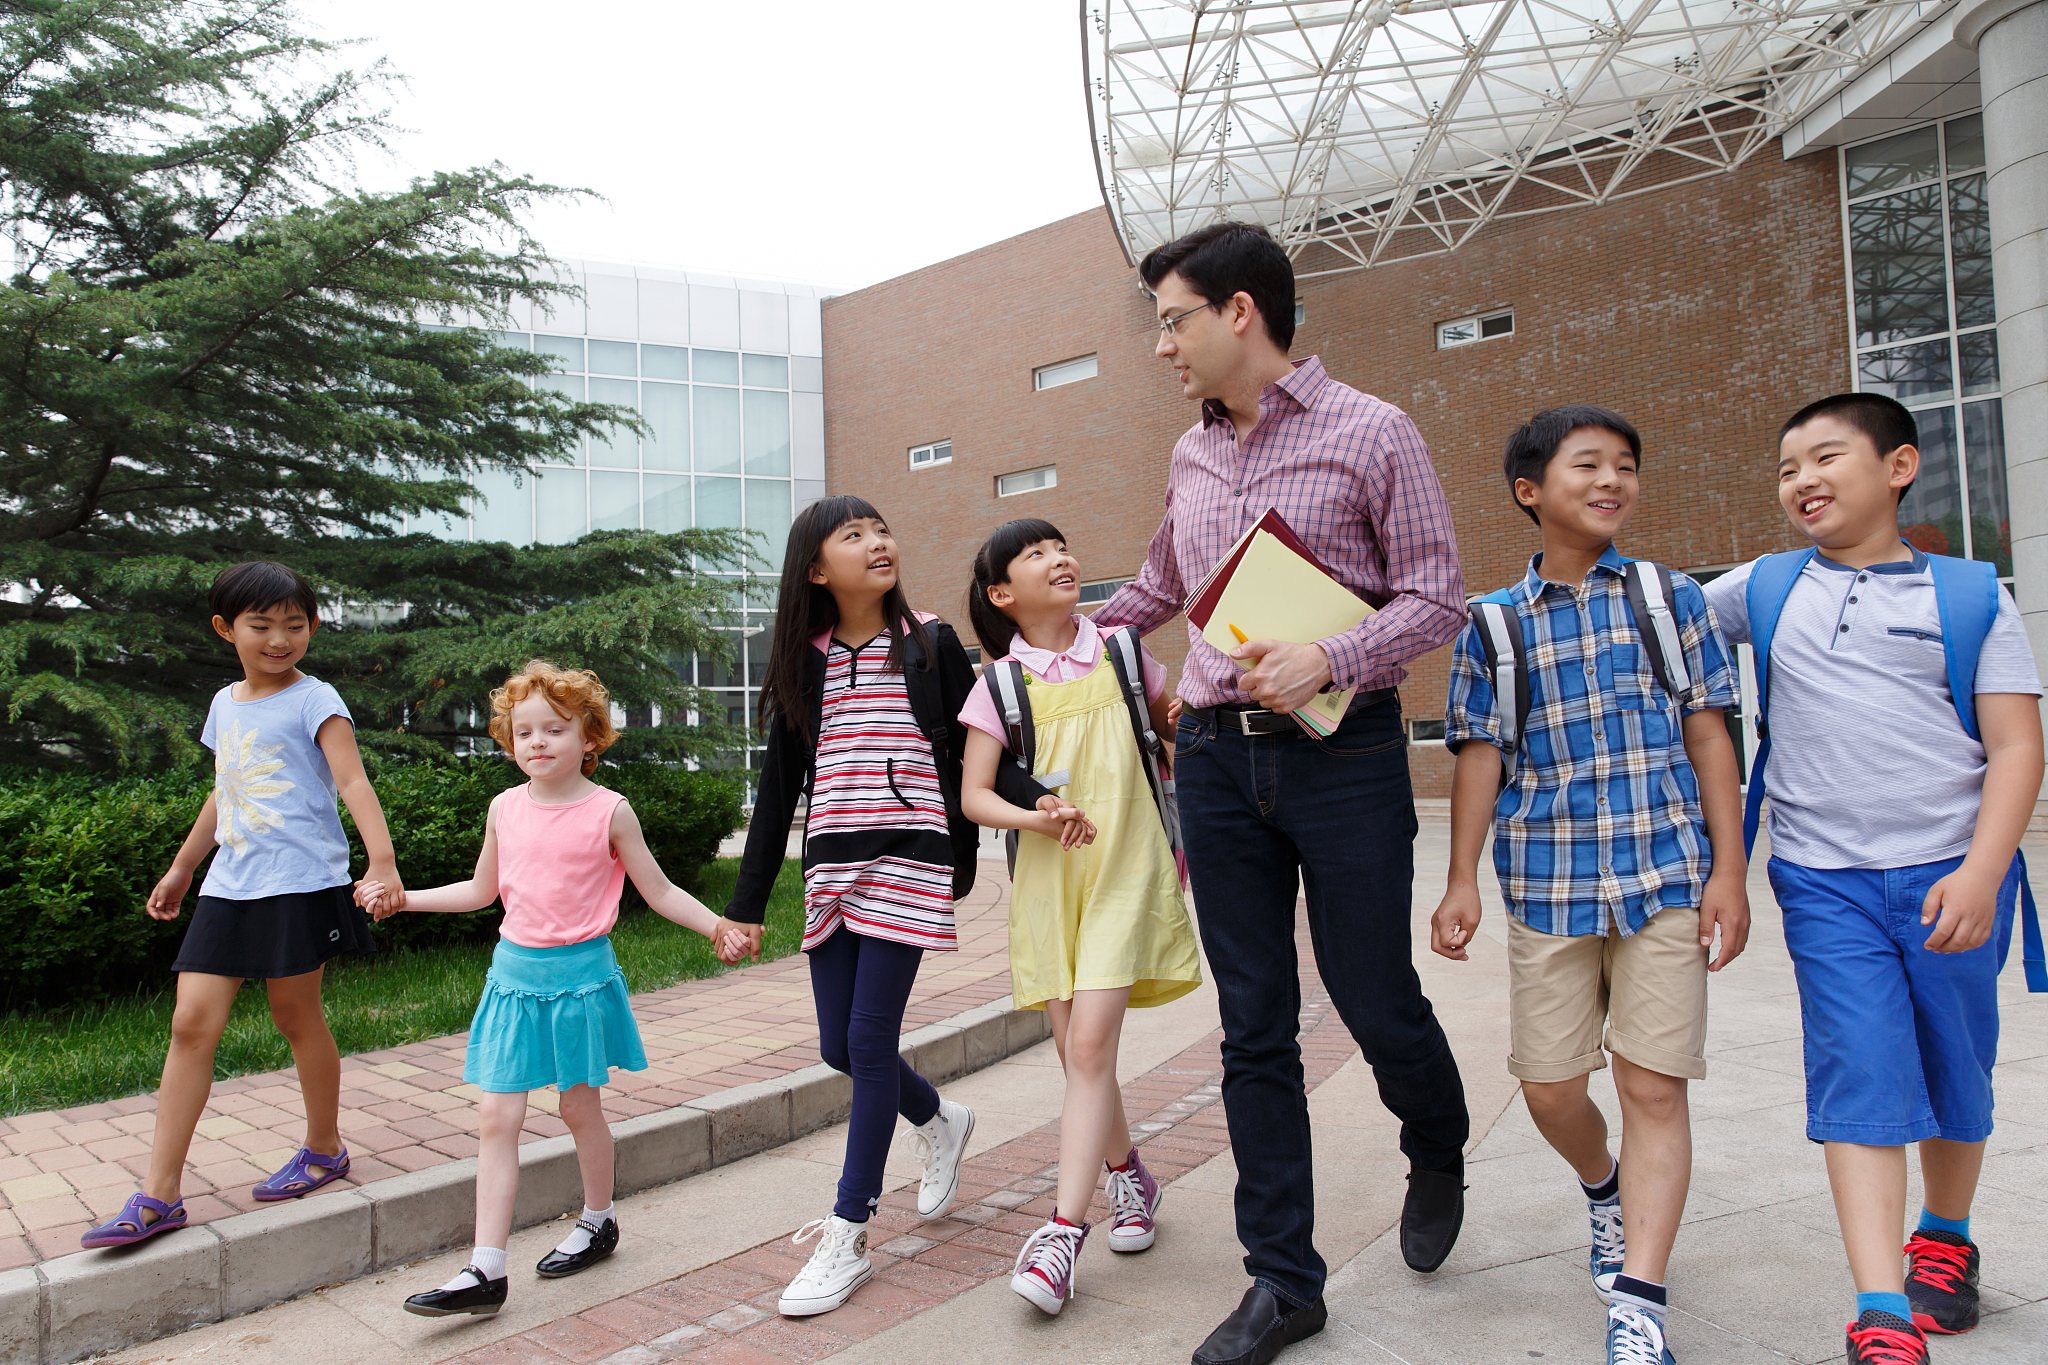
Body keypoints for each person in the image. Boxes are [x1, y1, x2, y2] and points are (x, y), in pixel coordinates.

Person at [1092, 221, 1471, 1365]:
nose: (1162, 343)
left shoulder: (1373, 431)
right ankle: (1282, 1281)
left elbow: (1437, 596)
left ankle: (1437, 1140)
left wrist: (1334, 656)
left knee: (1370, 994)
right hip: (1213, 758)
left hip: (1341, 754)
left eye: (1173, 318)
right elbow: (1161, 581)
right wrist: (1058, 648)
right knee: (1251, 1028)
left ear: (1240, 311)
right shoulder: (1189, 454)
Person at [1703, 394, 2043, 1365]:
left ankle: (1942, 1236)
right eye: (1783, 469)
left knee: (1953, 1067)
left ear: (1896, 467)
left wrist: (1982, 871)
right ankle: (1878, 1303)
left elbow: (2017, 745)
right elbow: (1647, 615)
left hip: (1950, 875)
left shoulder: (1968, 594)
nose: (1799, 480)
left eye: (1822, 458)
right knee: (1858, 1072)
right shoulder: (1762, 587)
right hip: (1822, 881)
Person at [1431, 407, 1749, 1365]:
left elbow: (1708, 733)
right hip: (1548, 879)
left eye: (1625, 466)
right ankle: (1602, 1185)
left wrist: (1730, 869)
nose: (1613, 480)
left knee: (1653, 1083)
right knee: (1551, 1087)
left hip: (1663, 875)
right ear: (1531, 491)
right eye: (1588, 466)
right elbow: (1482, 756)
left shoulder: (1668, 598)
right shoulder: (1492, 622)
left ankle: (1639, 1301)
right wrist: (1459, 880)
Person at [733, 495, 1087, 1318]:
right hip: (832, 860)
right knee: (837, 1045)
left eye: (882, 528)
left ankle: (848, 1228)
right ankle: (939, 1118)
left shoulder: (931, 645)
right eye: (853, 535)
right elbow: (777, 790)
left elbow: (979, 752)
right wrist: (747, 906)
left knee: (867, 1035)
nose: (878, 542)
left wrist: (1040, 802)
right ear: (817, 569)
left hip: (911, 854)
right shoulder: (802, 661)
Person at [355, 660, 750, 1317]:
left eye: (555, 729)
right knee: (496, 1116)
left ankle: (599, 1218)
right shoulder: (503, 808)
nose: (536, 742)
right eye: (523, 731)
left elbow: (659, 890)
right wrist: (405, 899)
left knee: (577, 1108)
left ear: (589, 737)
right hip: (513, 978)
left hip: (579, 982)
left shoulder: (609, 812)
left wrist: (717, 926)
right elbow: (483, 891)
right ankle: (486, 1268)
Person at [82, 562, 405, 1249]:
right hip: (231, 884)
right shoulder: (226, 703)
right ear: (227, 629)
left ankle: (324, 1147)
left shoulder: (316, 699)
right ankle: (159, 1193)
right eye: (262, 625)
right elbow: (226, 790)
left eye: (295, 625)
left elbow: (352, 778)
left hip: (299, 881)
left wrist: (382, 862)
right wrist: (181, 867)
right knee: (190, 1021)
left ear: (312, 627)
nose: (280, 638)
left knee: (295, 1013)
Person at [957, 518, 1203, 1316]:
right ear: (1002, 594)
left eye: (1062, 545)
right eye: (1035, 555)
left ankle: (1063, 1232)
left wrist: (1195, 708)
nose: (1059, 557)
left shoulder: (1126, 651)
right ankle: (1130, 1173)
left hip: (1128, 870)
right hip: (1047, 887)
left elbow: (1174, 722)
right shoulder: (997, 684)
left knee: (1090, 1044)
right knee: (1078, 1054)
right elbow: (975, 795)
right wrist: (1037, 816)